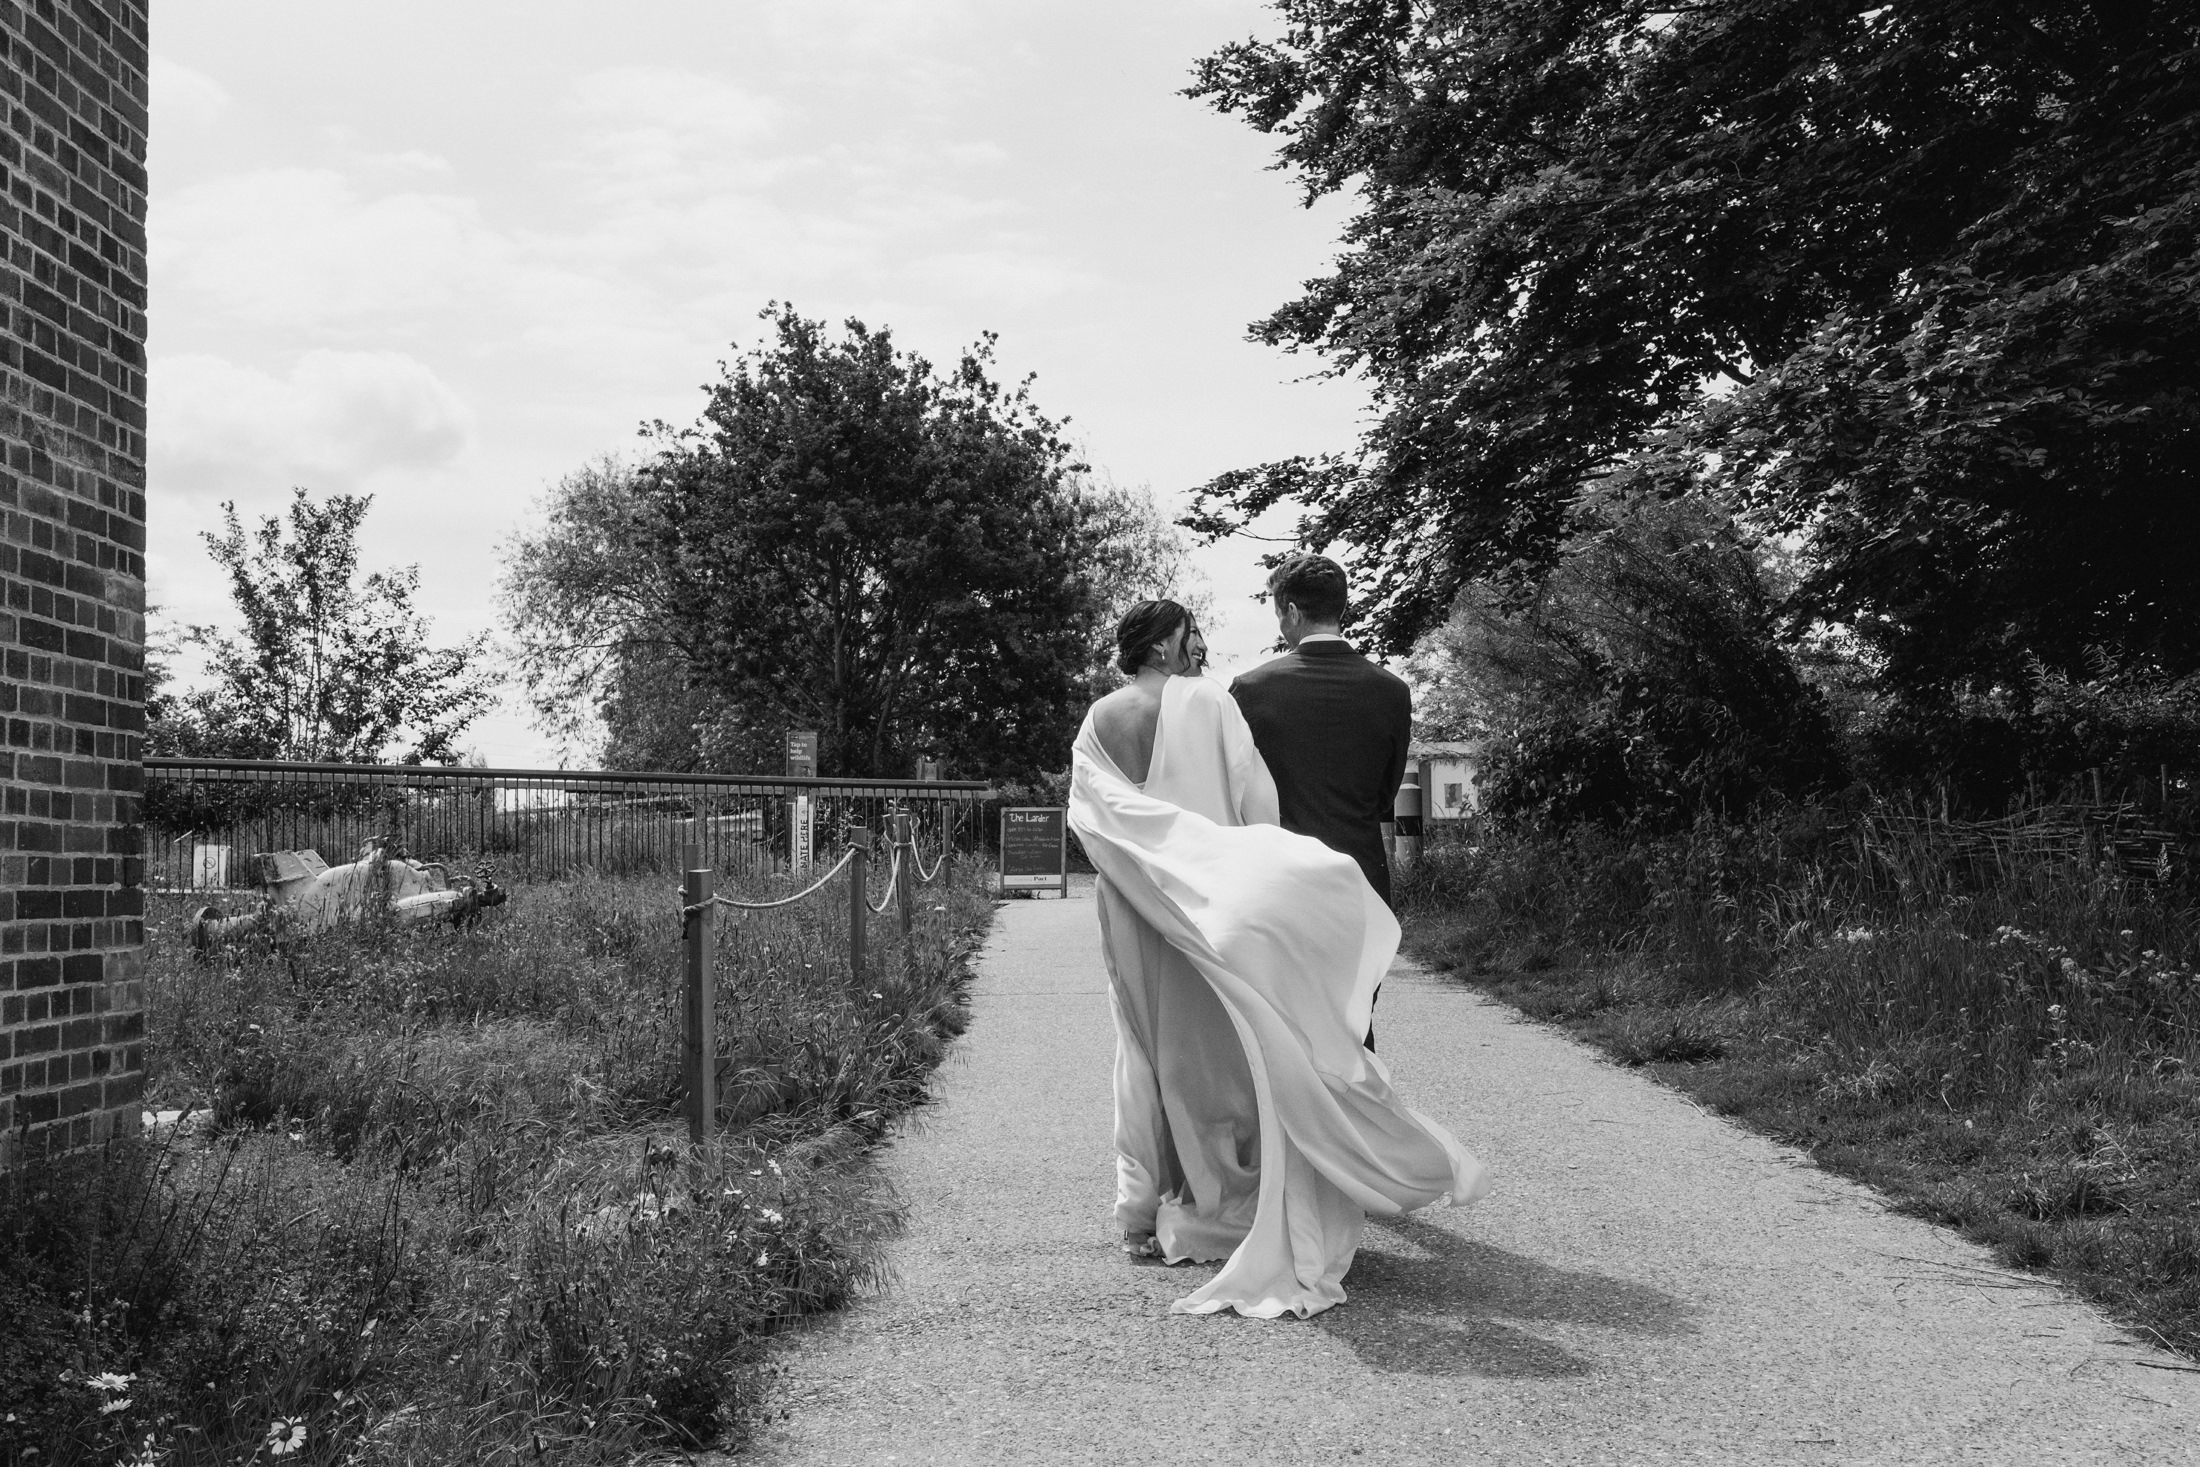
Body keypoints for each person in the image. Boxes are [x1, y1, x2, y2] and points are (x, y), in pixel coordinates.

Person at [1069, 599, 1486, 1320]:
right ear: (1163, 648)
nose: (1200, 644)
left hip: (1133, 905)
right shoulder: (1206, 701)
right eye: (1189, 634)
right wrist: (1263, 874)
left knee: (1146, 1049)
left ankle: (1142, 1207)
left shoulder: (1099, 718)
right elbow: (1255, 804)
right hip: (1210, 903)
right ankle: (1231, 1199)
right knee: (1228, 1051)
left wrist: (1146, 867)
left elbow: (1089, 818)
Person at [1229, 554, 1412, 1048]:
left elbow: (1238, 788)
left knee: (1284, 1021)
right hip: (1361, 874)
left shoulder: (1251, 690)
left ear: (1290, 612)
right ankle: (1361, 1116)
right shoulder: (1391, 691)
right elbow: (1384, 794)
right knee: (1355, 1020)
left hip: (1281, 875)